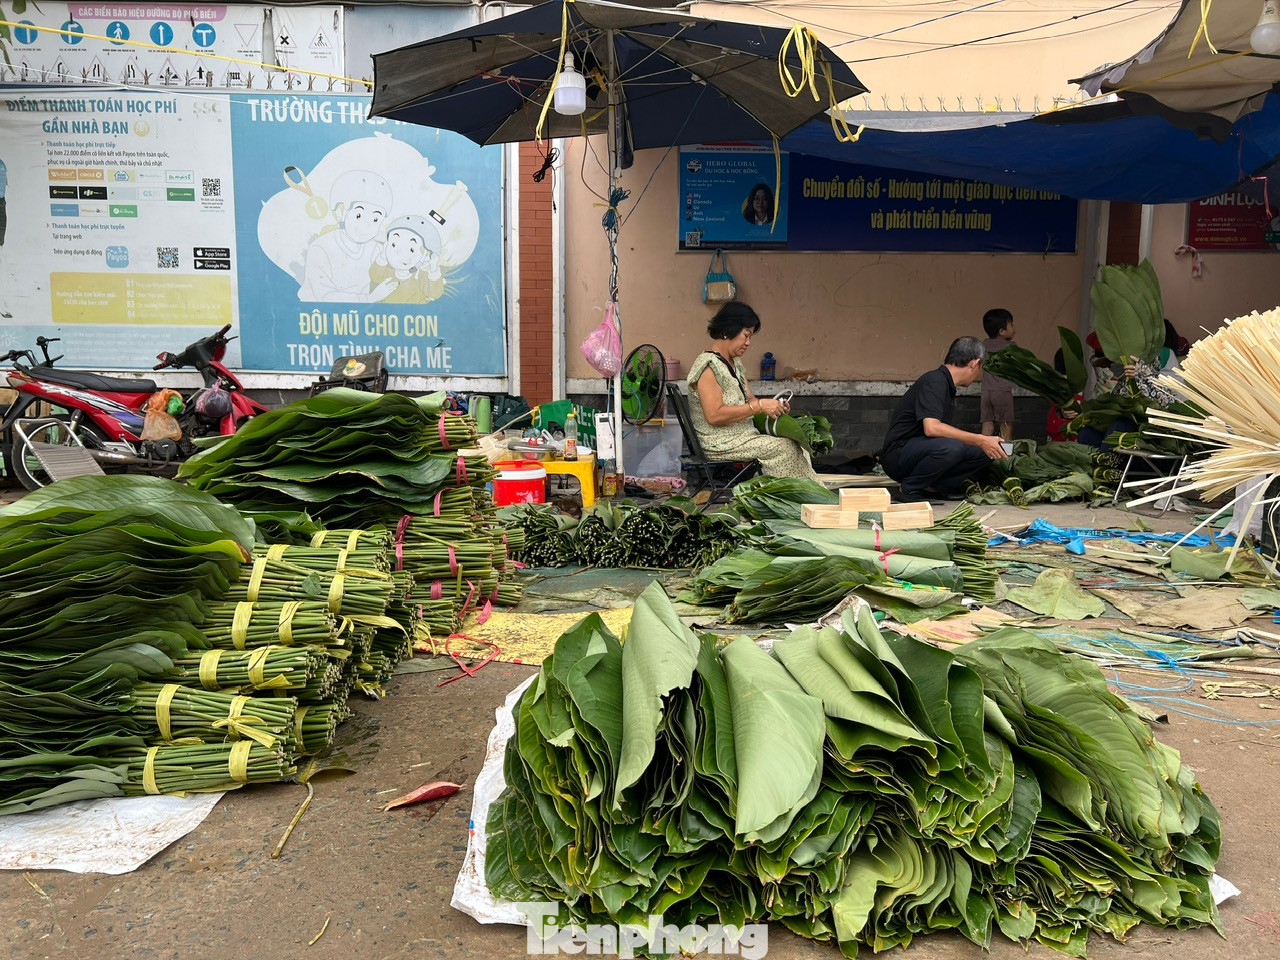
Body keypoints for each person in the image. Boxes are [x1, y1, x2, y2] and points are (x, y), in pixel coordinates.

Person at [687, 301, 817, 479]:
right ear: (728, 331)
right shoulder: (708, 367)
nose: (748, 343)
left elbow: (751, 400)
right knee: (784, 448)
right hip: (720, 442)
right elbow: (714, 415)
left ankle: (805, 495)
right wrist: (760, 406)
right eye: (745, 335)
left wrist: (773, 406)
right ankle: (790, 498)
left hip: (741, 436)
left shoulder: (733, 363)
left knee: (799, 442)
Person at [880, 337, 1008, 500]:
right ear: (975, 364)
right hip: (897, 454)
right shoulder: (935, 381)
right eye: (980, 368)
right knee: (951, 447)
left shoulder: (945, 384)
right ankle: (910, 488)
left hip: (920, 450)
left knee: (985, 451)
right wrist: (979, 438)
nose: (978, 375)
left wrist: (983, 442)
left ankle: (935, 487)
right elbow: (931, 428)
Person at [298, 170, 399, 302]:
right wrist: (370, 298)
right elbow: (325, 297)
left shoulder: (376, 250)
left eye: (375, 219)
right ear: (341, 212)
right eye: (359, 215)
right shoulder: (321, 247)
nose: (366, 225)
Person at [368, 214, 445, 304]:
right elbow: (374, 276)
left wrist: (434, 270)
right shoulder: (388, 271)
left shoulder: (421, 276)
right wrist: (383, 256)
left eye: (411, 249)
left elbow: (434, 294)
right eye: (393, 245)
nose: (399, 253)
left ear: (426, 255)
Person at [980, 307, 1015, 440]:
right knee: (1006, 423)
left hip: (985, 391)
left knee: (987, 422)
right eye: (1011, 324)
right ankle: (1005, 455)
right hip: (1002, 391)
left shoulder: (983, 345)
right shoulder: (1010, 347)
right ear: (1002, 331)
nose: (1013, 328)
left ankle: (982, 454)